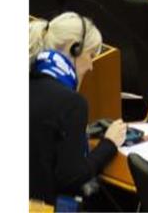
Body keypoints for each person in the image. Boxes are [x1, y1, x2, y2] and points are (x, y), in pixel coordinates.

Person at [30, 13, 127, 203]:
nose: (91, 66)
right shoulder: (71, 103)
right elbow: (71, 178)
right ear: (75, 49)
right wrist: (109, 144)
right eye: (90, 55)